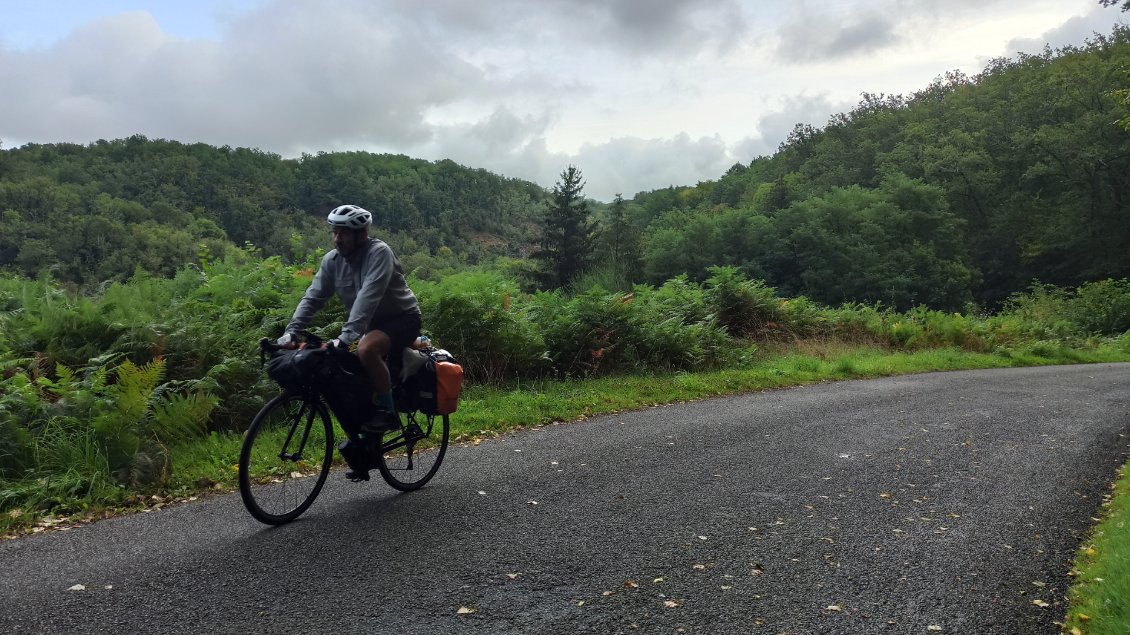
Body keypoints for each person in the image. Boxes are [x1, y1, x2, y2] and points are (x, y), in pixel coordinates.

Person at [278, 204, 421, 435]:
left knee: (366, 350)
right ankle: (366, 429)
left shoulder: (379, 253)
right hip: (371, 326)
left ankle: (389, 414)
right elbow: (313, 297)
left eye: (343, 233)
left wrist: (345, 338)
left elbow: (368, 297)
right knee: (346, 369)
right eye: (334, 232)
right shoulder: (332, 261)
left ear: (361, 235)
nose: (337, 239)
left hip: (403, 319)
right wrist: (291, 331)